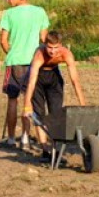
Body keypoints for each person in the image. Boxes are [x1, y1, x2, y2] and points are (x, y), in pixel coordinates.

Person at [22, 30, 86, 161]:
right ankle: (45, 150)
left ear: (61, 45)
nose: (52, 51)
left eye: (55, 48)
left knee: (56, 114)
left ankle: (56, 149)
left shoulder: (66, 54)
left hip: (54, 77)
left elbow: (75, 80)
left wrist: (83, 104)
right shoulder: (39, 55)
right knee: (39, 114)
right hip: (37, 78)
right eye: (49, 48)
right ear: (45, 45)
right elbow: (32, 80)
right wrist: (27, 104)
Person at [0, 0, 50, 147]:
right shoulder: (40, 12)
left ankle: (12, 138)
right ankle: (26, 137)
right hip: (34, 63)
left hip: (15, 63)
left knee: (13, 100)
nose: (7, 0)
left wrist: (12, 53)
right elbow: (44, 40)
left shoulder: (9, 14)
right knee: (30, 100)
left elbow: (3, 41)